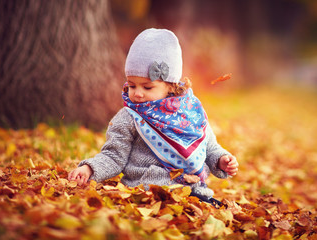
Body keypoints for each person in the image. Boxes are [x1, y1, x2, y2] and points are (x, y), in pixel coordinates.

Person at [68, 28, 238, 202]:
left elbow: (209, 147)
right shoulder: (129, 117)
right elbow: (113, 156)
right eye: (132, 85)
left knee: (213, 217)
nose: (138, 93)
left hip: (191, 192)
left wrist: (221, 160)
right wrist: (90, 168)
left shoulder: (191, 113)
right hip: (146, 192)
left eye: (147, 87)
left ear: (171, 86)